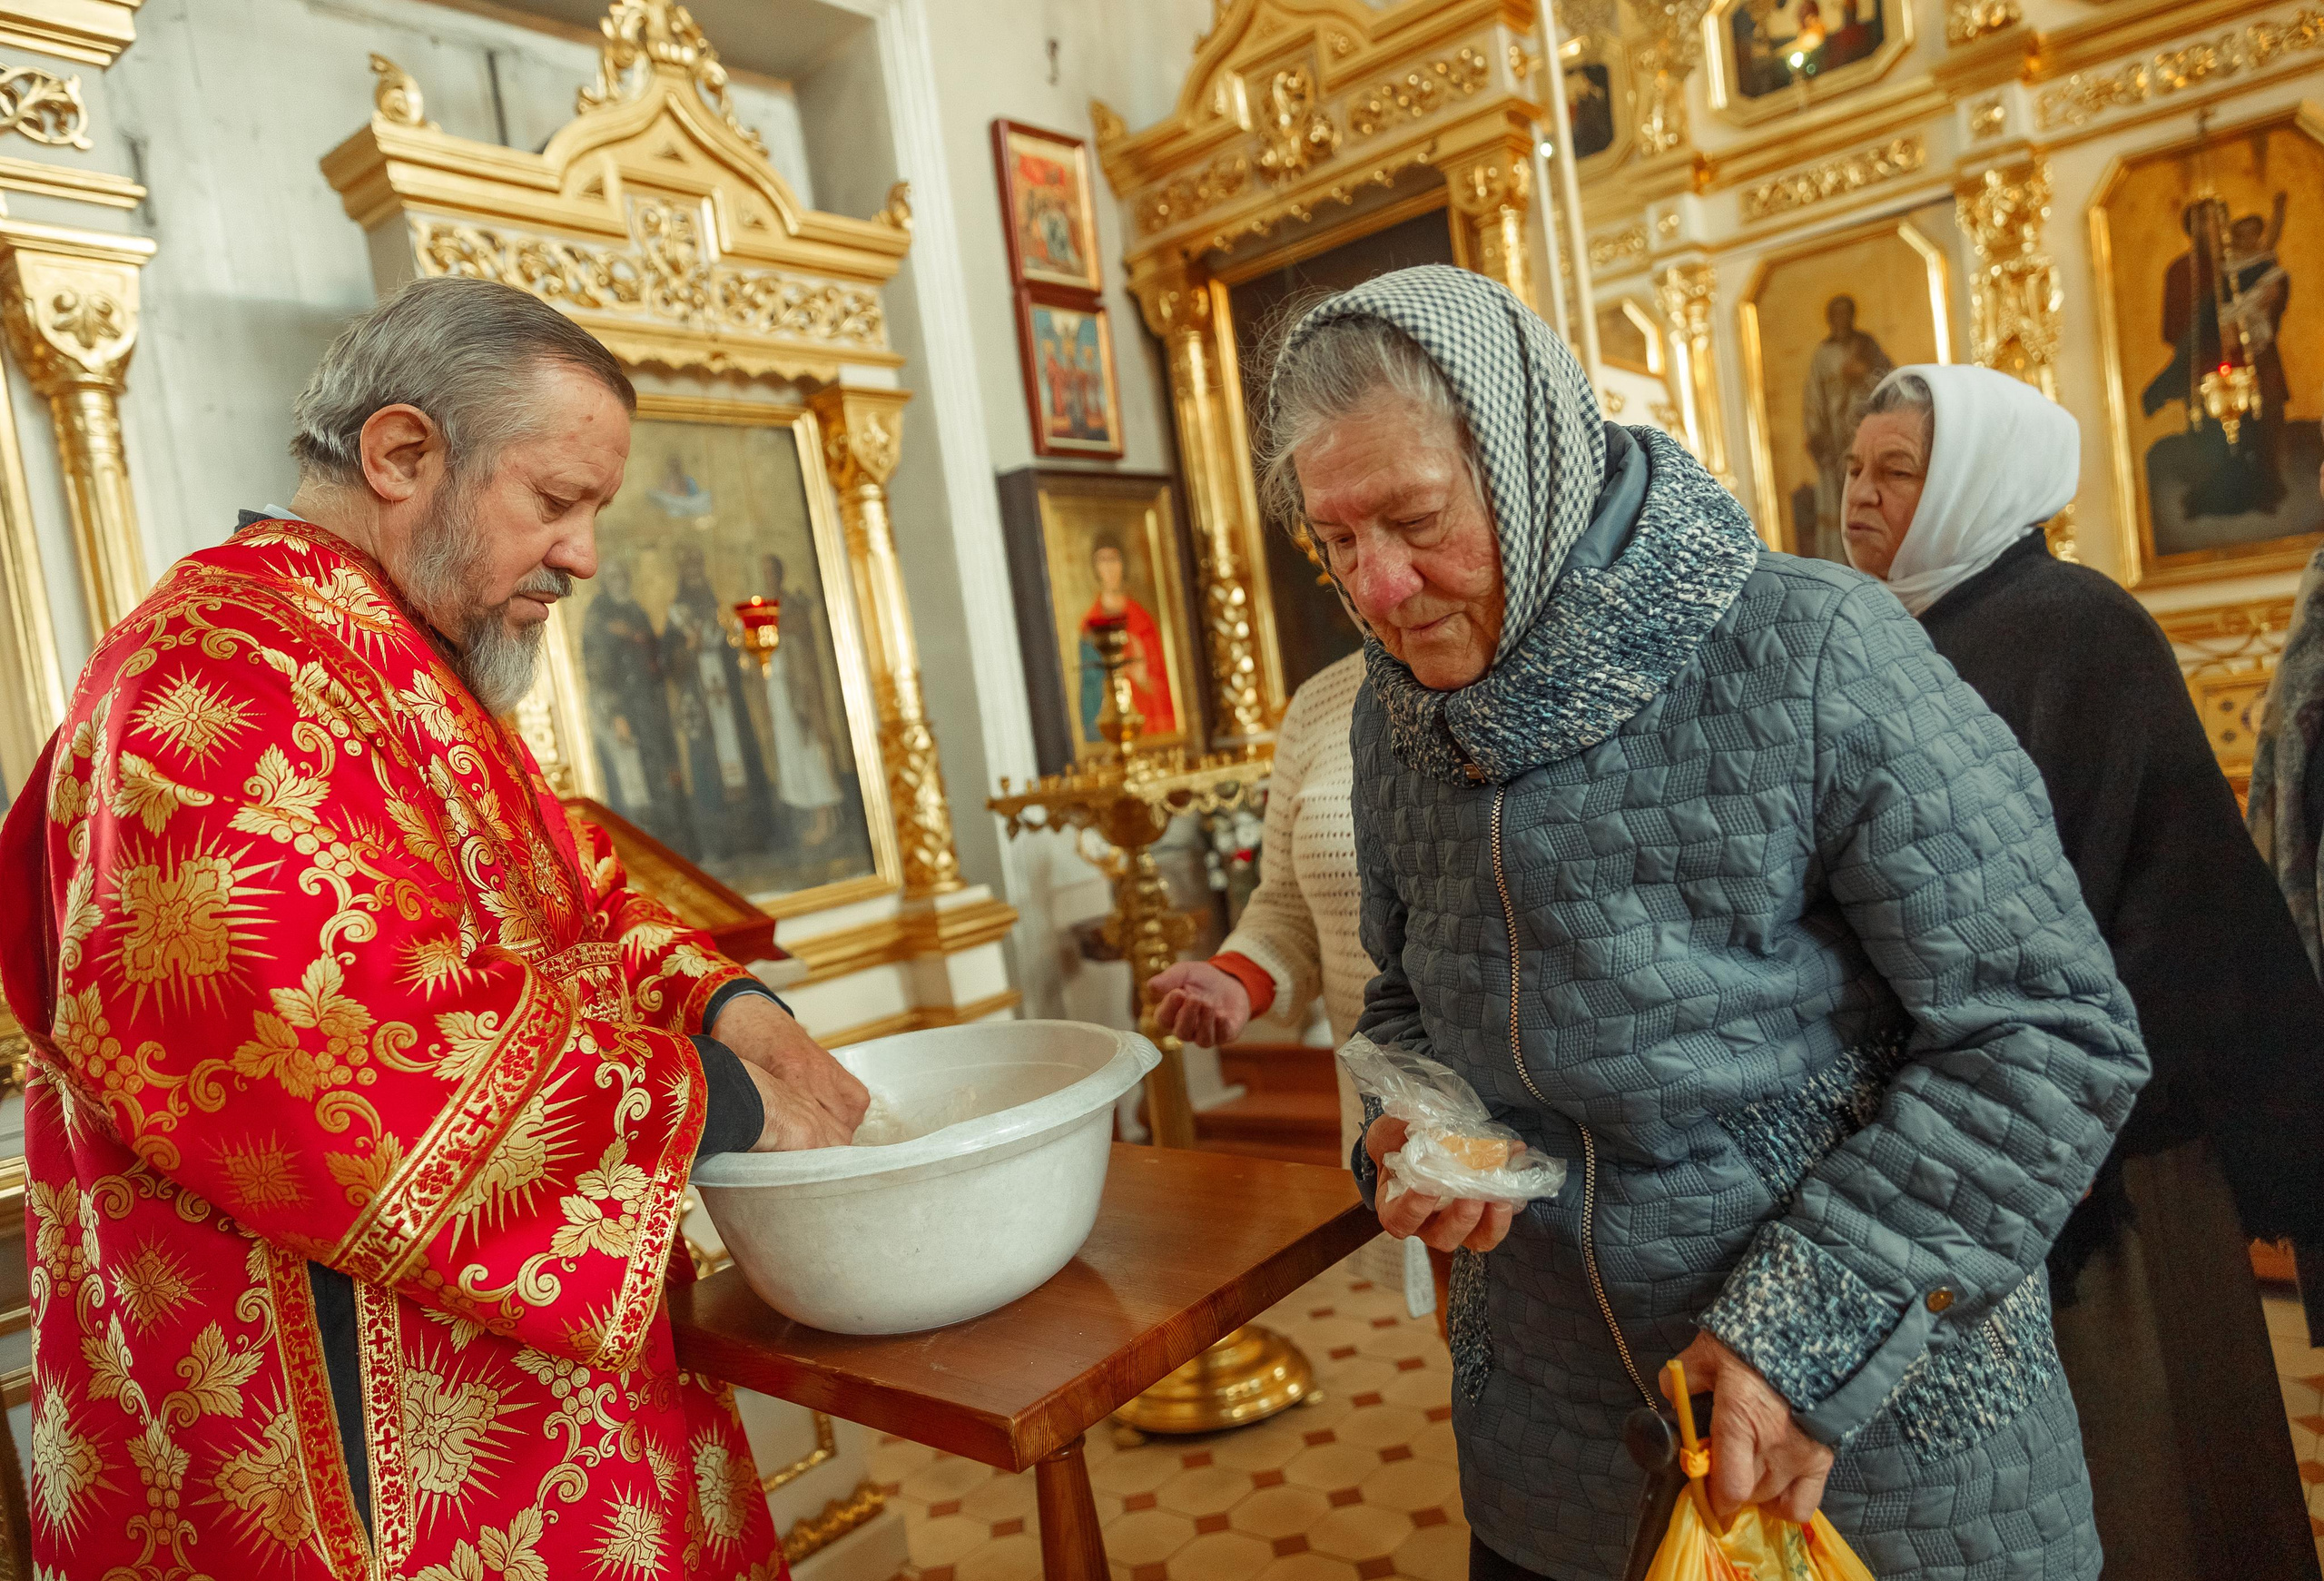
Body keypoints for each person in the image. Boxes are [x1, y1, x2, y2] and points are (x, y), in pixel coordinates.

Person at [1265, 264, 2146, 1581]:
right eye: (1336, 543)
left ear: (1532, 463)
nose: (1379, 589)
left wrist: (1798, 1334)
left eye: (1416, 519)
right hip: (1557, 1447)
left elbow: (2051, 1033)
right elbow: (1408, 999)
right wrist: (1412, 1128)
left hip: (1862, 1440)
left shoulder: (1813, 648)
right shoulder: (1397, 718)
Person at [0, 277, 871, 1578]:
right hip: (353, 1422)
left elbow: (584, 904)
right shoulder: (216, 672)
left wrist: (734, 1010)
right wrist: (718, 1105)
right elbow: (326, 1054)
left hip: (509, 1374)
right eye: (557, 501)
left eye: (596, 514)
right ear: (403, 452)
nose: (583, 554)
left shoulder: (399, 667)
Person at [1843, 363, 2324, 1581]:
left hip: (2114, 1136)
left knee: (2151, 1457)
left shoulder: (2070, 625)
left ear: (1968, 482)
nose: (1857, 495)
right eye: (1852, 469)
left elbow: (2041, 897)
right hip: (2009, 1118)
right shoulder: (1913, 634)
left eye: (1895, 471)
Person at [1142, 651, 1437, 1319]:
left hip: (1535, 1111)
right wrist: (1236, 978)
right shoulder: (1319, 702)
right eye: (1338, 542)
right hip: (1400, 1115)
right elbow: (1287, 904)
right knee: (1476, 1365)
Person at [1801, 294, 1892, 563]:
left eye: (1846, 313)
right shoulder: (1822, 355)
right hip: (1834, 440)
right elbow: (1813, 399)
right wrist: (1818, 436)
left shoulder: (1866, 346)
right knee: (1838, 504)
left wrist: (1864, 373)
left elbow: (1892, 382)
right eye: (1836, 314)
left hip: (1865, 435)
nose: (1841, 319)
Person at [1075, 533, 1177, 741]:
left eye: (1114, 559)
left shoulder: (1143, 622)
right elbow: (1088, 691)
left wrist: (1143, 680)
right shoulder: (1088, 626)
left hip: (1146, 726)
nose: (1109, 568)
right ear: (1095, 568)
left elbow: (1166, 687)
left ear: (1123, 564)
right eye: (1102, 560)